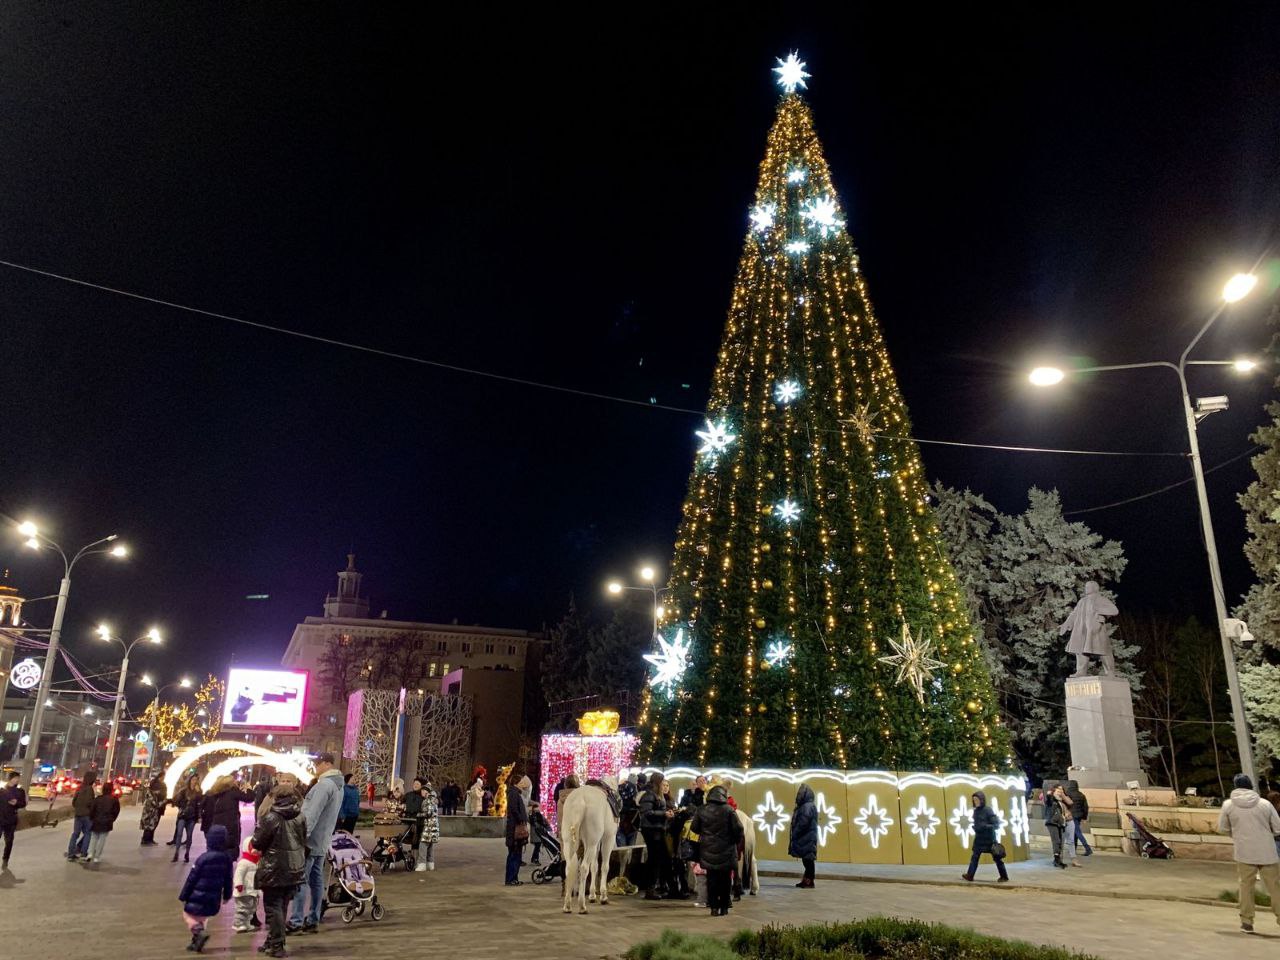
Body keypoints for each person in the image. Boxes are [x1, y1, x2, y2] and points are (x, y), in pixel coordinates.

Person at [1218, 772, 1280, 933]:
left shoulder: (1228, 805)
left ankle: (1247, 922)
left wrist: (1236, 835)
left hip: (1244, 852)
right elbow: (1278, 828)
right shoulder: (1265, 804)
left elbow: (1223, 828)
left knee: (1246, 886)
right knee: (1275, 887)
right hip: (1267, 852)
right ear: (1251, 786)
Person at [289, 752, 344, 934]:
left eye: (318, 764)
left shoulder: (324, 785)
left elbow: (311, 814)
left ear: (327, 764)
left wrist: (301, 837)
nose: (315, 767)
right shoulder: (338, 786)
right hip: (322, 840)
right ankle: (313, 917)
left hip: (310, 841)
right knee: (316, 879)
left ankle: (296, 921)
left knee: (301, 880)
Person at [252, 783, 307, 959]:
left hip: (274, 868)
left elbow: (257, 841)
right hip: (294, 866)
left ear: (276, 797)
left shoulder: (271, 817)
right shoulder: (300, 816)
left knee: (273, 906)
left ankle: (277, 944)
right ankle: (273, 940)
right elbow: (303, 839)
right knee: (281, 905)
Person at [178, 823, 234, 953]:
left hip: (197, 895)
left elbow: (191, 879)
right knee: (202, 918)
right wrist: (227, 895)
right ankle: (196, 941)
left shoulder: (202, 859)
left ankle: (198, 933)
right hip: (214, 897)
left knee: (188, 915)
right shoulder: (227, 859)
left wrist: (184, 895)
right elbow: (228, 879)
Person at [691, 782, 743, 917]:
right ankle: (724, 907)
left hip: (708, 850)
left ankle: (714, 908)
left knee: (711, 879)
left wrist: (706, 833)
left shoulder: (702, 809)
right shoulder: (729, 810)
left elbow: (694, 828)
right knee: (725, 880)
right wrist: (735, 840)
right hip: (727, 850)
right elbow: (739, 828)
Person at [638, 771, 673, 900]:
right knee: (655, 859)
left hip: (656, 829)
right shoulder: (650, 795)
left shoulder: (655, 795)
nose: (664, 784)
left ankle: (655, 887)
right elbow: (647, 812)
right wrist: (664, 814)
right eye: (663, 782)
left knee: (657, 859)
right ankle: (650, 888)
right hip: (652, 830)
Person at [961, 791, 1009, 883]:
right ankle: (970, 875)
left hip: (989, 839)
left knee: (997, 858)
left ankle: (1004, 876)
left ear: (981, 800)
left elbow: (996, 824)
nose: (975, 802)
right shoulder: (976, 811)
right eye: (974, 800)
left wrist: (985, 826)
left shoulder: (988, 810)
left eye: (977, 800)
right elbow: (977, 823)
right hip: (979, 839)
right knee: (975, 857)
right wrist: (976, 827)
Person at [203, 774, 256, 855]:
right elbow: (249, 798)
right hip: (231, 825)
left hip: (217, 825)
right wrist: (249, 789)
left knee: (218, 848)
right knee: (230, 849)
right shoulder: (232, 792)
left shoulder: (214, 794)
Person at [789, 784, 818, 888]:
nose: (798, 796)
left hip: (807, 837)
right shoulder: (807, 805)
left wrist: (796, 832)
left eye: (800, 793)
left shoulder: (807, 806)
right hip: (806, 837)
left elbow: (803, 821)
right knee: (807, 859)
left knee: (808, 860)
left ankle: (809, 881)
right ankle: (807, 880)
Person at [87, 779, 121, 863]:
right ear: (111, 789)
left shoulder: (98, 799)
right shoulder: (114, 800)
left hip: (96, 820)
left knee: (94, 837)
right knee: (102, 839)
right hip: (107, 822)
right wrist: (112, 819)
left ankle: (90, 853)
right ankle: (97, 857)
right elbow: (116, 811)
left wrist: (92, 818)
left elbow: (92, 810)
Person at [232, 836, 262, 933]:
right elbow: (238, 874)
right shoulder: (244, 863)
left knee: (251, 909)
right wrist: (239, 884)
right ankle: (238, 924)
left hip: (252, 891)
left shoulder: (257, 863)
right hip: (243, 891)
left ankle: (246, 923)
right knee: (242, 908)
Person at [504, 772, 528, 885]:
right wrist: (521, 819)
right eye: (521, 782)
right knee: (514, 854)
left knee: (516, 854)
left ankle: (514, 878)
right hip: (514, 829)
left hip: (515, 828)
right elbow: (514, 809)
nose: (523, 783)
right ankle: (511, 879)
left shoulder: (515, 793)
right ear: (516, 783)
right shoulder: (514, 794)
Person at [67, 771, 97, 861]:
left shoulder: (80, 788)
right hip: (87, 815)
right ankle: (83, 853)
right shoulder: (90, 789)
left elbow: (74, 802)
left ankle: (71, 853)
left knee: (75, 834)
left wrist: (78, 808)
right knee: (88, 833)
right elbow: (90, 803)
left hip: (78, 815)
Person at [172, 775, 203, 863]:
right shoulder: (184, 791)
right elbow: (176, 800)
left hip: (192, 817)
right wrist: (182, 806)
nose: (194, 781)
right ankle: (176, 853)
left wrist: (199, 816)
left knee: (189, 835)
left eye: (196, 780)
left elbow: (200, 805)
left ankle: (187, 853)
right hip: (183, 816)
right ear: (189, 780)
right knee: (179, 834)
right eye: (193, 779)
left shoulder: (198, 792)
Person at [0, 770, 27, 869]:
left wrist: (16, 803)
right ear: (10, 778)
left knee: (9, 841)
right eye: (15, 778)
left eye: (18, 778)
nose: (17, 780)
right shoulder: (2, 790)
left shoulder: (20, 791)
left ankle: (5, 859)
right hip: (0, 819)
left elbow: (23, 803)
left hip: (11, 820)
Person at [415, 777, 440, 872]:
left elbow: (428, 813)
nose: (421, 792)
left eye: (422, 790)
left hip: (429, 826)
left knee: (423, 844)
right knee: (430, 845)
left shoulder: (428, 800)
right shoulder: (433, 799)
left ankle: (422, 864)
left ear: (426, 791)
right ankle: (430, 863)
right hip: (434, 826)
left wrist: (419, 814)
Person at [1043, 784, 1069, 869]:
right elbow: (1048, 802)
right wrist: (1049, 795)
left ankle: (1058, 860)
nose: (1059, 793)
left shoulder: (1059, 801)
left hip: (1060, 824)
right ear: (1053, 792)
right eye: (1057, 791)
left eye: (1060, 791)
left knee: (1060, 842)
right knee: (1056, 841)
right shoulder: (1052, 801)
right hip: (1052, 823)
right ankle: (1056, 860)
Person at [139, 775, 166, 845]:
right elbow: (155, 804)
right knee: (148, 826)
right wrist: (164, 801)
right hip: (150, 813)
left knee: (153, 825)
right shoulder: (151, 795)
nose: (158, 792)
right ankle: (145, 840)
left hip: (154, 812)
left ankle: (150, 839)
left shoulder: (153, 794)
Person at [1067, 782, 1093, 857]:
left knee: (1077, 832)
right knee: (1075, 832)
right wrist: (1084, 817)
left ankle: (1088, 848)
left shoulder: (1068, 794)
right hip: (1079, 816)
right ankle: (1074, 849)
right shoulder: (1081, 795)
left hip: (1071, 816)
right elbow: (1085, 807)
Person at [529, 800, 551, 865]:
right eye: (536, 808)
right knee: (537, 847)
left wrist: (548, 828)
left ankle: (534, 859)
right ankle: (535, 859)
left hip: (537, 833)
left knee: (537, 847)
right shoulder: (534, 816)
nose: (537, 809)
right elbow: (544, 822)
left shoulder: (537, 815)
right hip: (537, 834)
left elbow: (545, 822)